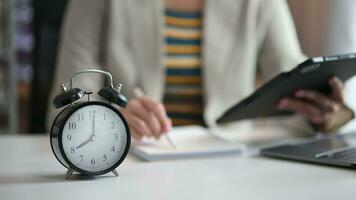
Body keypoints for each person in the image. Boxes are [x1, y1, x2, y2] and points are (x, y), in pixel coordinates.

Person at [48, 0, 353, 140]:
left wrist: (327, 112)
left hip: (230, 164)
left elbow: (293, 73)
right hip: (127, 162)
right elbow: (67, 98)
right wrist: (107, 118)